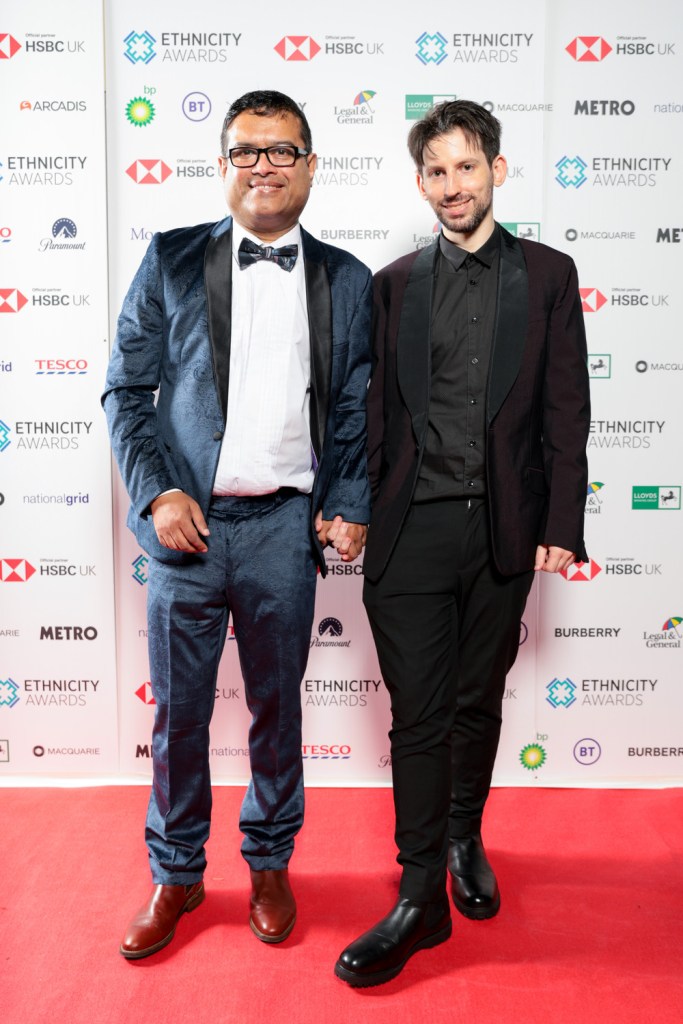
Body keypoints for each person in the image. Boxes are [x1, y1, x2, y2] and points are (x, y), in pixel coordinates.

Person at [103, 90, 371, 960]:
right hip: (186, 534)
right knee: (179, 716)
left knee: (273, 712)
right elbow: (125, 393)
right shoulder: (173, 259)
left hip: (284, 531)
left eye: (282, 150)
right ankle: (177, 872)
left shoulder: (346, 279)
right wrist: (155, 496)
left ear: (310, 165)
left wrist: (348, 502)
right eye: (246, 151)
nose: (264, 165)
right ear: (222, 166)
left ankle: (268, 861)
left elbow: (358, 409)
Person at [335, 100, 590, 987]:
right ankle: (417, 897)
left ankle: (462, 836)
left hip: (503, 532)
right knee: (420, 714)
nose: (452, 186)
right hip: (410, 530)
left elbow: (566, 412)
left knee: (477, 699)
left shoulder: (550, 276)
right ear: (420, 183)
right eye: (436, 173)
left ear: (497, 171)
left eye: (466, 168)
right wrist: (351, 505)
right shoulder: (393, 282)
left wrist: (562, 524)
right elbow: (369, 416)